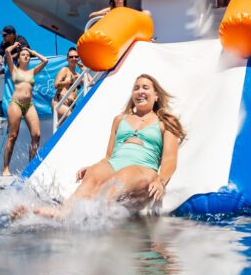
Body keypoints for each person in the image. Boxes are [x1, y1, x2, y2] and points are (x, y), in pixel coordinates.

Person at [32, 74, 185, 218]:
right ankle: (63, 213)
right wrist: (93, 167)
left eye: (145, 88)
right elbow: (109, 156)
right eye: (136, 88)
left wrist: (161, 180)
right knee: (94, 174)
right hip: (114, 163)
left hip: (142, 168)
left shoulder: (165, 122)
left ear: (156, 95)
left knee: (122, 177)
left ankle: (87, 216)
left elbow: (170, 160)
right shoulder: (120, 120)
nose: (140, 91)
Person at [3, 45, 49, 176]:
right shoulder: (14, 70)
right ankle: (6, 168)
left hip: (29, 105)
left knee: (36, 135)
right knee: (12, 136)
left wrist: (32, 51)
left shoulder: (32, 72)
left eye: (28, 55)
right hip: (16, 103)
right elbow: (7, 51)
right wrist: (15, 46)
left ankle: (31, 167)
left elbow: (45, 61)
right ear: (19, 57)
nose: (26, 56)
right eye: (23, 55)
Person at [52, 47, 81, 121]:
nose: (74, 58)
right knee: (72, 119)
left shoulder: (77, 74)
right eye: (71, 57)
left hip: (71, 106)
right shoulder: (65, 70)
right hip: (60, 103)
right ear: (67, 59)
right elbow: (56, 85)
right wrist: (69, 81)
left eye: (76, 57)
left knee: (67, 128)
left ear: (78, 58)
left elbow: (92, 82)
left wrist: (83, 69)